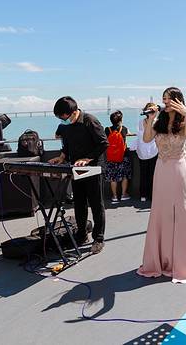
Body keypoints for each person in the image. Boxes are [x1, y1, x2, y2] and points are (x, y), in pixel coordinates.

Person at [137, 87, 186, 283]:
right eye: (164, 99)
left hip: (179, 169)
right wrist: (151, 119)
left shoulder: (184, 120)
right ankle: (162, 258)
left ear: (178, 101)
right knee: (160, 212)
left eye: (169, 99)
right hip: (161, 170)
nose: (165, 102)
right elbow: (147, 139)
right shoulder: (158, 121)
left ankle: (184, 259)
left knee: (182, 212)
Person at [48, 96, 108, 254]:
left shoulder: (90, 121)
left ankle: (98, 238)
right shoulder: (68, 125)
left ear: (74, 112)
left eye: (64, 117)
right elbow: (67, 144)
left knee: (96, 204)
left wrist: (88, 159)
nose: (64, 120)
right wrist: (62, 157)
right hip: (76, 168)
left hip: (94, 168)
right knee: (79, 203)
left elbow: (103, 143)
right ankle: (81, 234)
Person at [104, 110, 132, 203]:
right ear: (121, 120)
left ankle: (114, 196)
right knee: (124, 176)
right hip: (123, 156)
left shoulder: (107, 130)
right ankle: (124, 195)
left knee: (113, 177)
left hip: (111, 157)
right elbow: (128, 133)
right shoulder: (124, 129)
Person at [136, 102, 159, 202]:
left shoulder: (155, 122)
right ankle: (146, 194)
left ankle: (147, 194)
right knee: (146, 173)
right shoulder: (145, 122)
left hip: (150, 150)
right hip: (146, 150)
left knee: (149, 173)